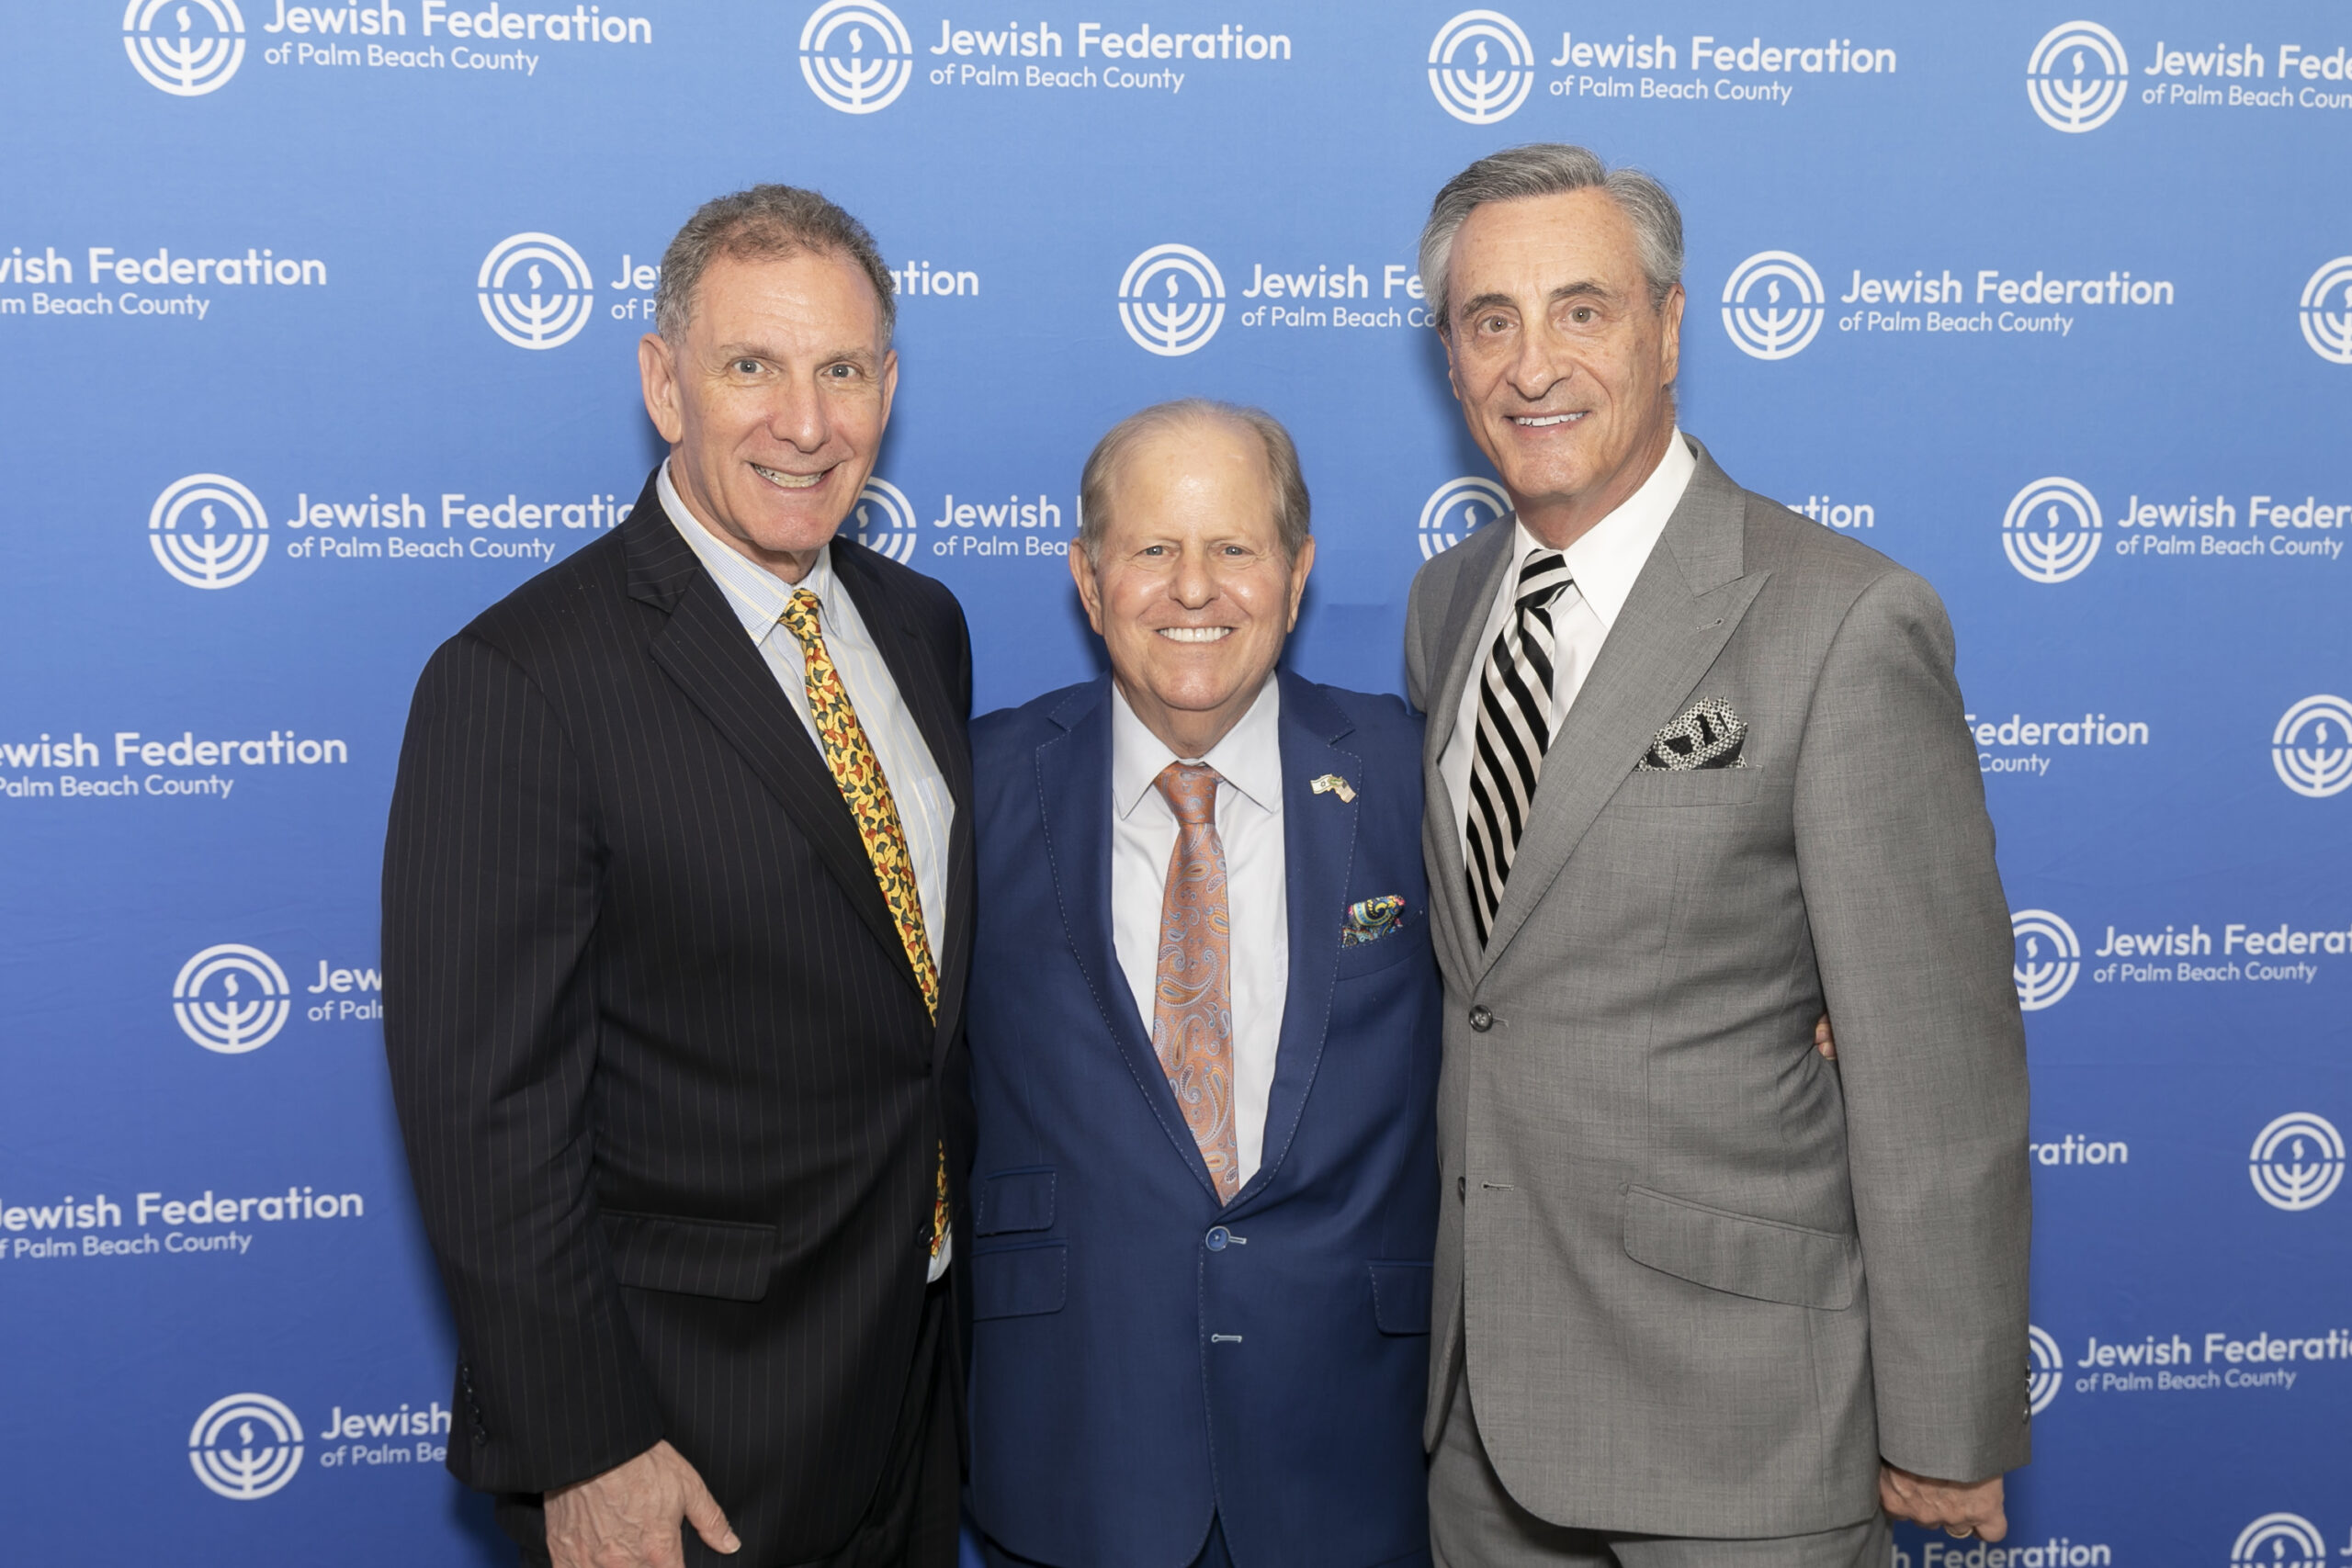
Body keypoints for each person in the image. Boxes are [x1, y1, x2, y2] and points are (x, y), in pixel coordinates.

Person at [1404, 144, 2032, 1566]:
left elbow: (1936, 1068)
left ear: (1669, 326)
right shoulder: (1447, 608)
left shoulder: (1842, 619)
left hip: (1741, 1424)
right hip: (1481, 1422)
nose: (1533, 362)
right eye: (1490, 320)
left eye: (1581, 309)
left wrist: (1944, 1418)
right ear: (1449, 358)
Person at [382, 185, 972, 1568]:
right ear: (664, 384)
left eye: (843, 370)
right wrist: (584, 1446)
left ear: (888, 388)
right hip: (687, 1434)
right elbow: (485, 1116)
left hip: (914, 1385)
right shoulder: (520, 678)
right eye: (751, 365)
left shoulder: (920, 625)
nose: (804, 421)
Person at [961, 400, 1442, 1568]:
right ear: (1088, 579)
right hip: (1074, 1440)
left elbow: (1568, 964)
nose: (1193, 588)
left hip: (1355, 1446)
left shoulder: (1412, 767)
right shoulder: (975, 784)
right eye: (1151, 549)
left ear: (1297, 573)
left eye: (1232, 547)